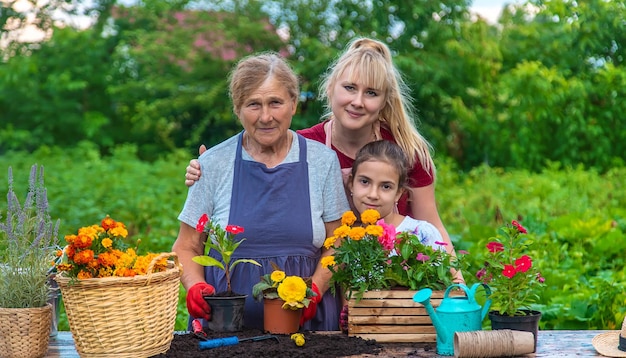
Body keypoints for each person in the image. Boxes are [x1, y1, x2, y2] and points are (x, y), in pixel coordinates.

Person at [184, 37, 462, 281]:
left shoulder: (406, 151)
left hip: (394, 281)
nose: (358, 101)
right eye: (350, 88)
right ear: (331, 88)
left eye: (371, 93)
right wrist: (211, 167)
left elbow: (432, 225)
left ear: (385, 101)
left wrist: (458, 284)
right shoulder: (307, 147)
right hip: (331, 279)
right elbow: (260, 134)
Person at [172, 52, 350, 332]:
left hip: (308, 328)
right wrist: (195, 286)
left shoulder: (321, 161)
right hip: (225, 330)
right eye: (253, 104)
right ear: (237, 109)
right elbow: (186, 246)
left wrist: (315, 289)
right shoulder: (214, 163)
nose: (265, 116)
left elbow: (337, 243)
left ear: (293, 103)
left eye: (275, 103)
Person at [348, 140, 443, 248]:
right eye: (365, 182)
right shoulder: (348, 241)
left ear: (398, 193)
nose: (373, 195)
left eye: (386, 187)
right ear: (351, 184)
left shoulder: (422, 234)